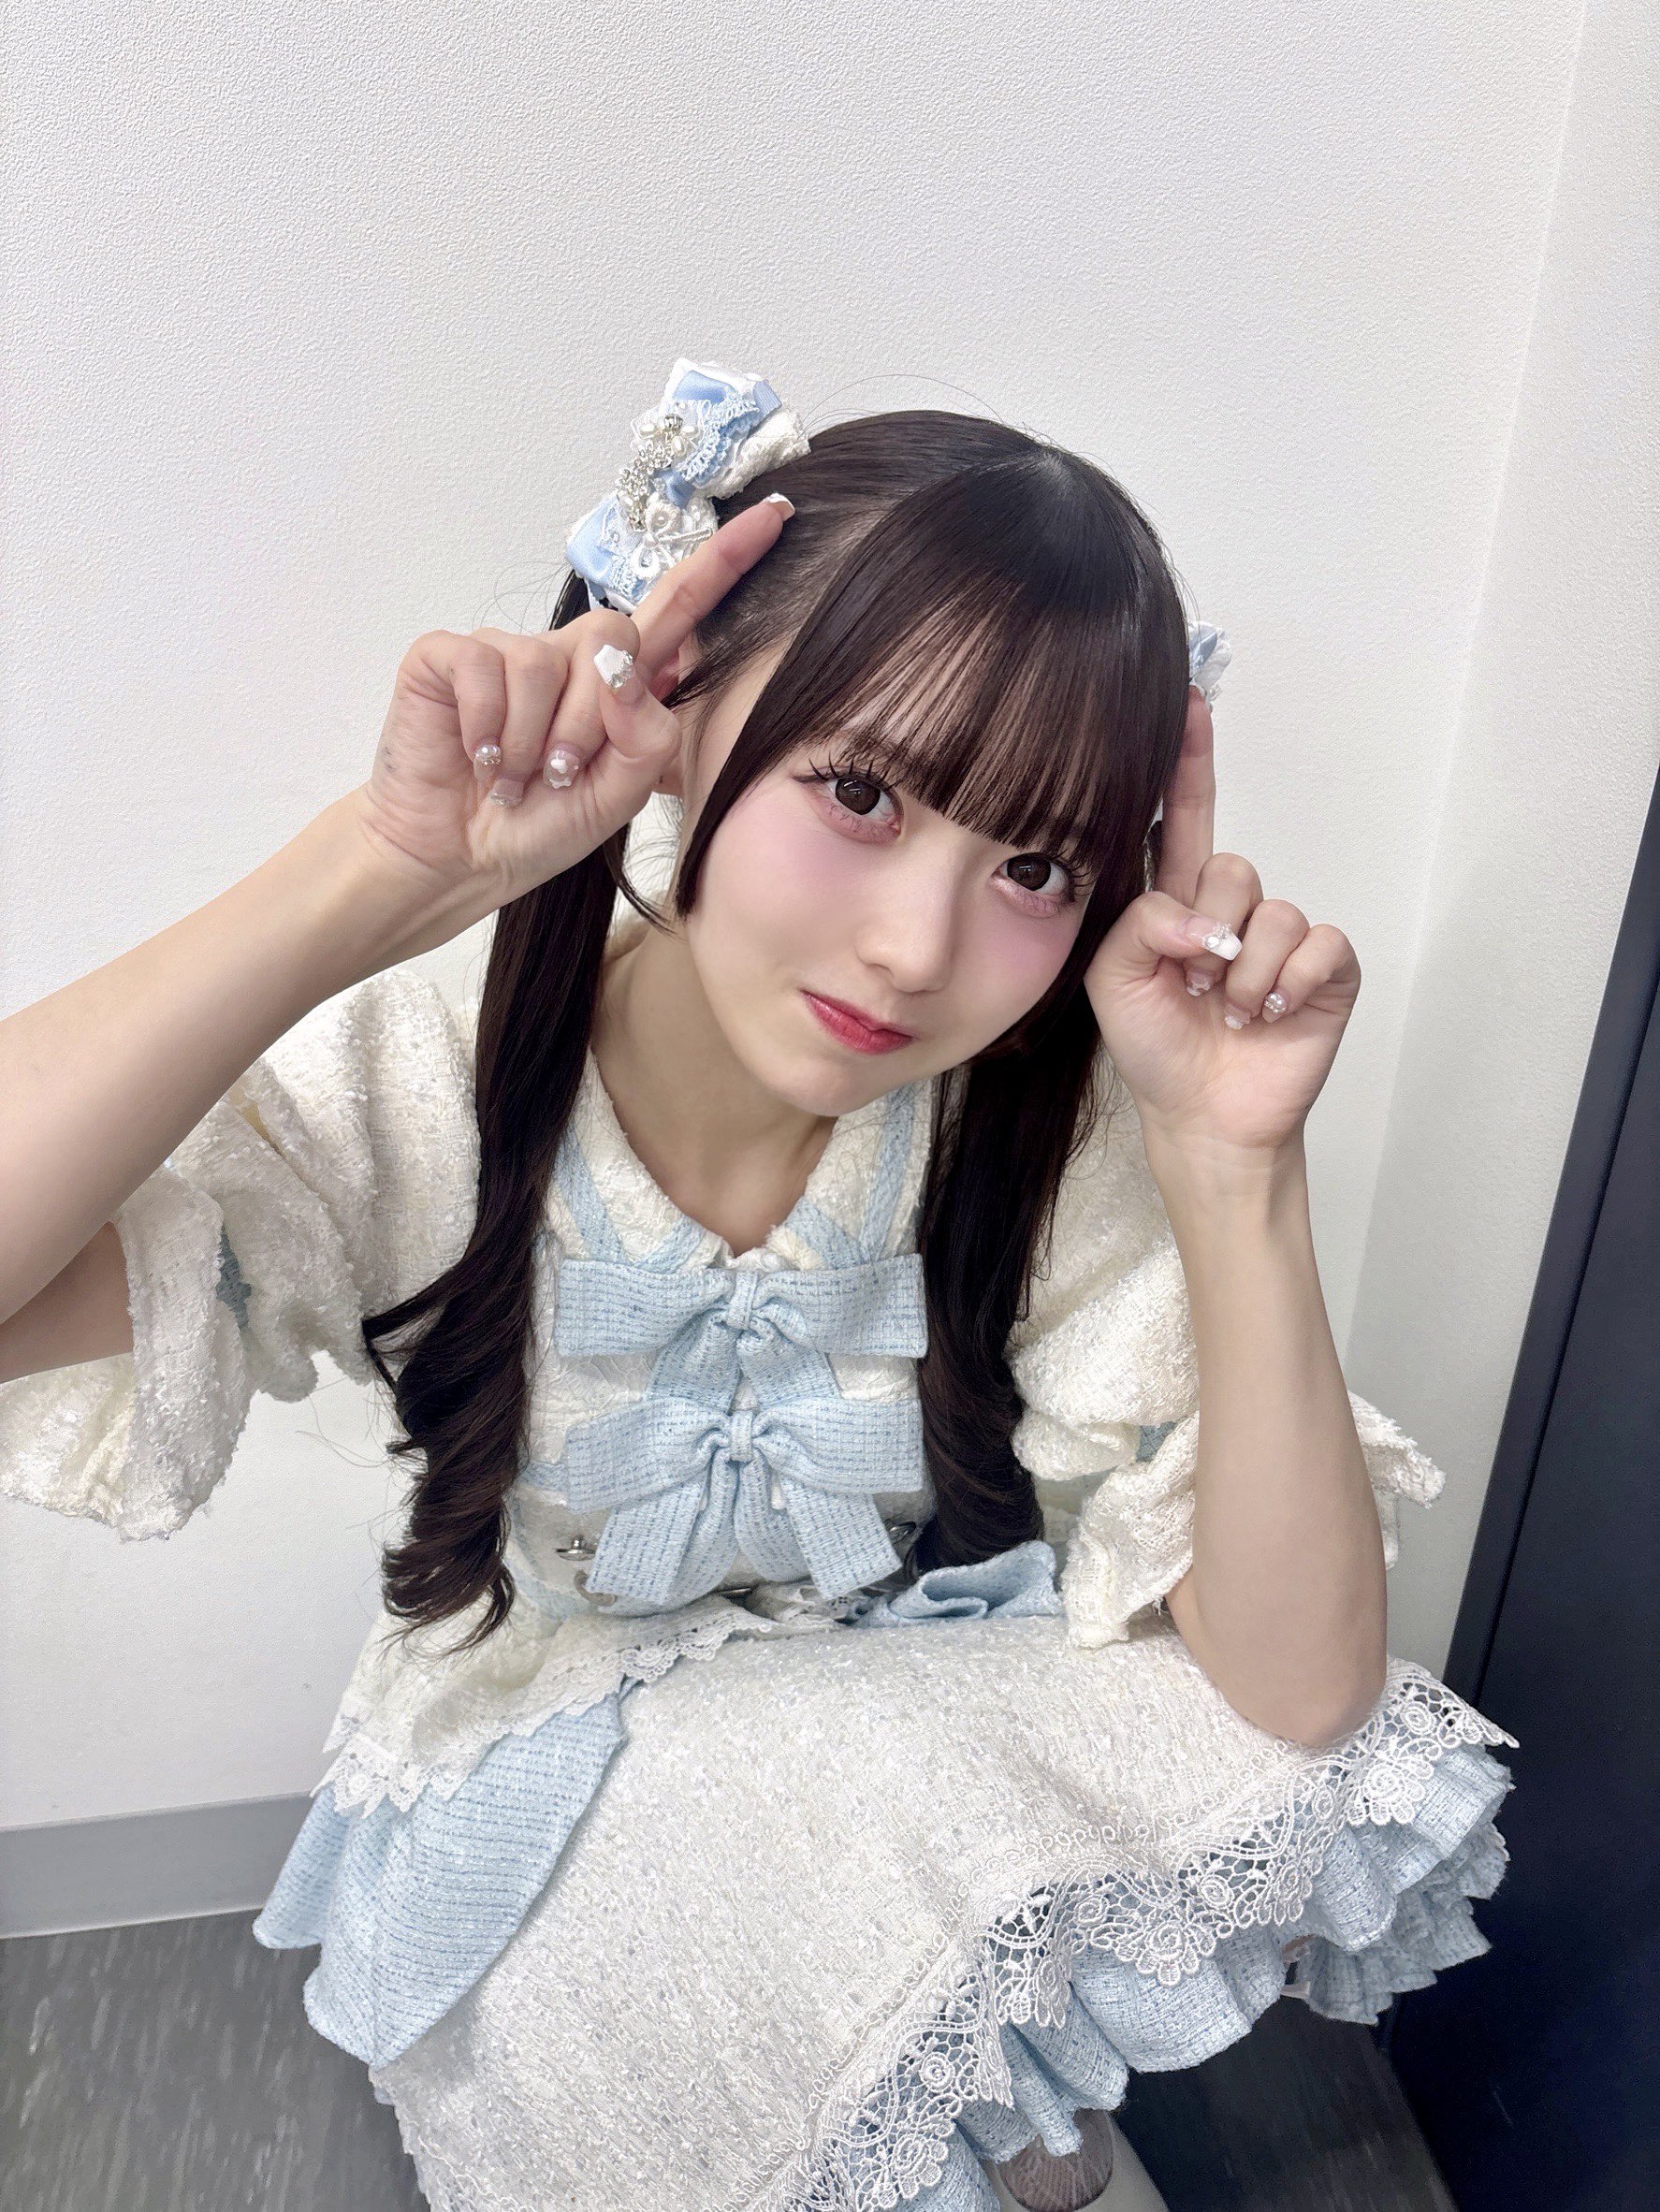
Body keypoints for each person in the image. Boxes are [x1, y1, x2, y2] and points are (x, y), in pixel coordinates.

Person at [0, 359, 1518, 2212]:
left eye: (1033, 864)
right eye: (860, 792)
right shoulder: (429, 1079)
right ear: (681, 708)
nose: (914, 949)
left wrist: (1231, 1160)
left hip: (893, 1743)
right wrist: (365, 875)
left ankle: (942, 2088)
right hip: (550, 1779)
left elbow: (1296, 1693)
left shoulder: (1030, 1128)